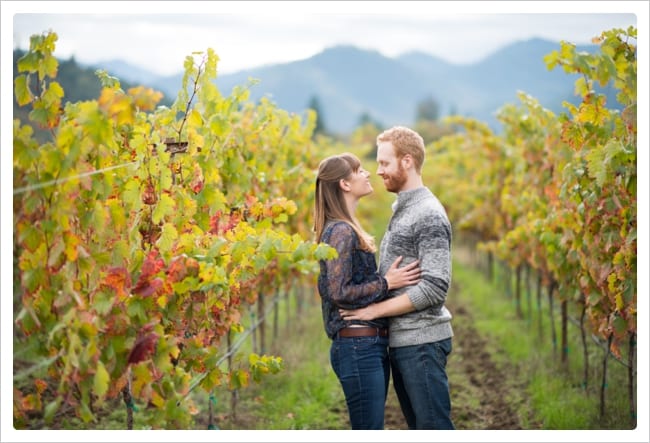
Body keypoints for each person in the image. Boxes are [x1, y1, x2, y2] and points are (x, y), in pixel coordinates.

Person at [339, 126, 455, 430]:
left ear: (407, 161)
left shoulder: (427, 213)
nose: (378, 171)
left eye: (384, 163)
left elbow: (434, 288)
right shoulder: (404, 209)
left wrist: (372, 311)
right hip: (407, 342)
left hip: (422, 343)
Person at [314, 152, 421, 430]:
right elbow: (339, 291)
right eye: (359, 170)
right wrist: (387, 282)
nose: (367, 173)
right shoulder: (340, 231)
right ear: (344, 184)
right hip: (358, 345)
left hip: (363, 345)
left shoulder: (344, 228)